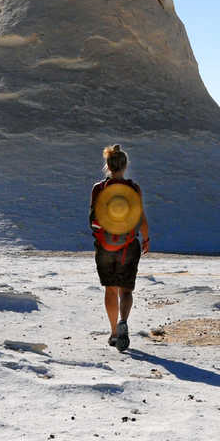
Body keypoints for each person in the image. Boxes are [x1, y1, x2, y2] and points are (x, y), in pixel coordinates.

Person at [88, 144, 150, 351]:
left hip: (105, 247)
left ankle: (114, 333)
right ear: (125, 166)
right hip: (128, 247)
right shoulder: (133, 188)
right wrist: (146, 239)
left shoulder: (98, 188)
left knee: (110, 289)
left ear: (108, 165)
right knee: (126, 289)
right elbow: (140, 218)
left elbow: (93, 219)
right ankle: (124, 321)